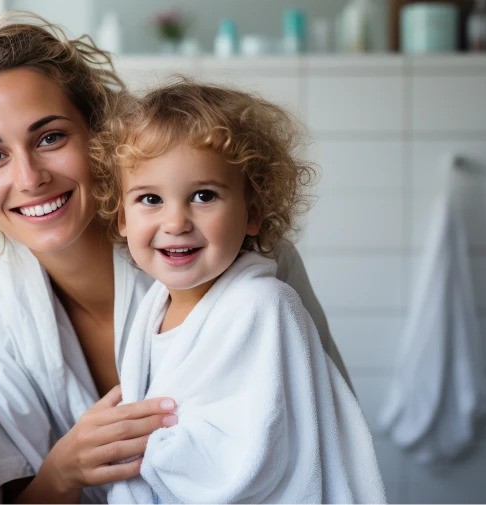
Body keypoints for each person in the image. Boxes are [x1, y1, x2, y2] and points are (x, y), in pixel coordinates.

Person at [0, 13, 354, 503]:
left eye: (50, 137)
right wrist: (64, 469)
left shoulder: (235, 264)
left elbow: (324, 439)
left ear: (99, 141)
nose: (29, 177)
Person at [93, 81, 386, 503]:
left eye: (203, 195)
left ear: (253, 212)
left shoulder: (264, 307)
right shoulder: (153, 307)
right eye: (151, 199)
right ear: (122, 217)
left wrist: (137, 445)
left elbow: (253, 458)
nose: (175, 222)